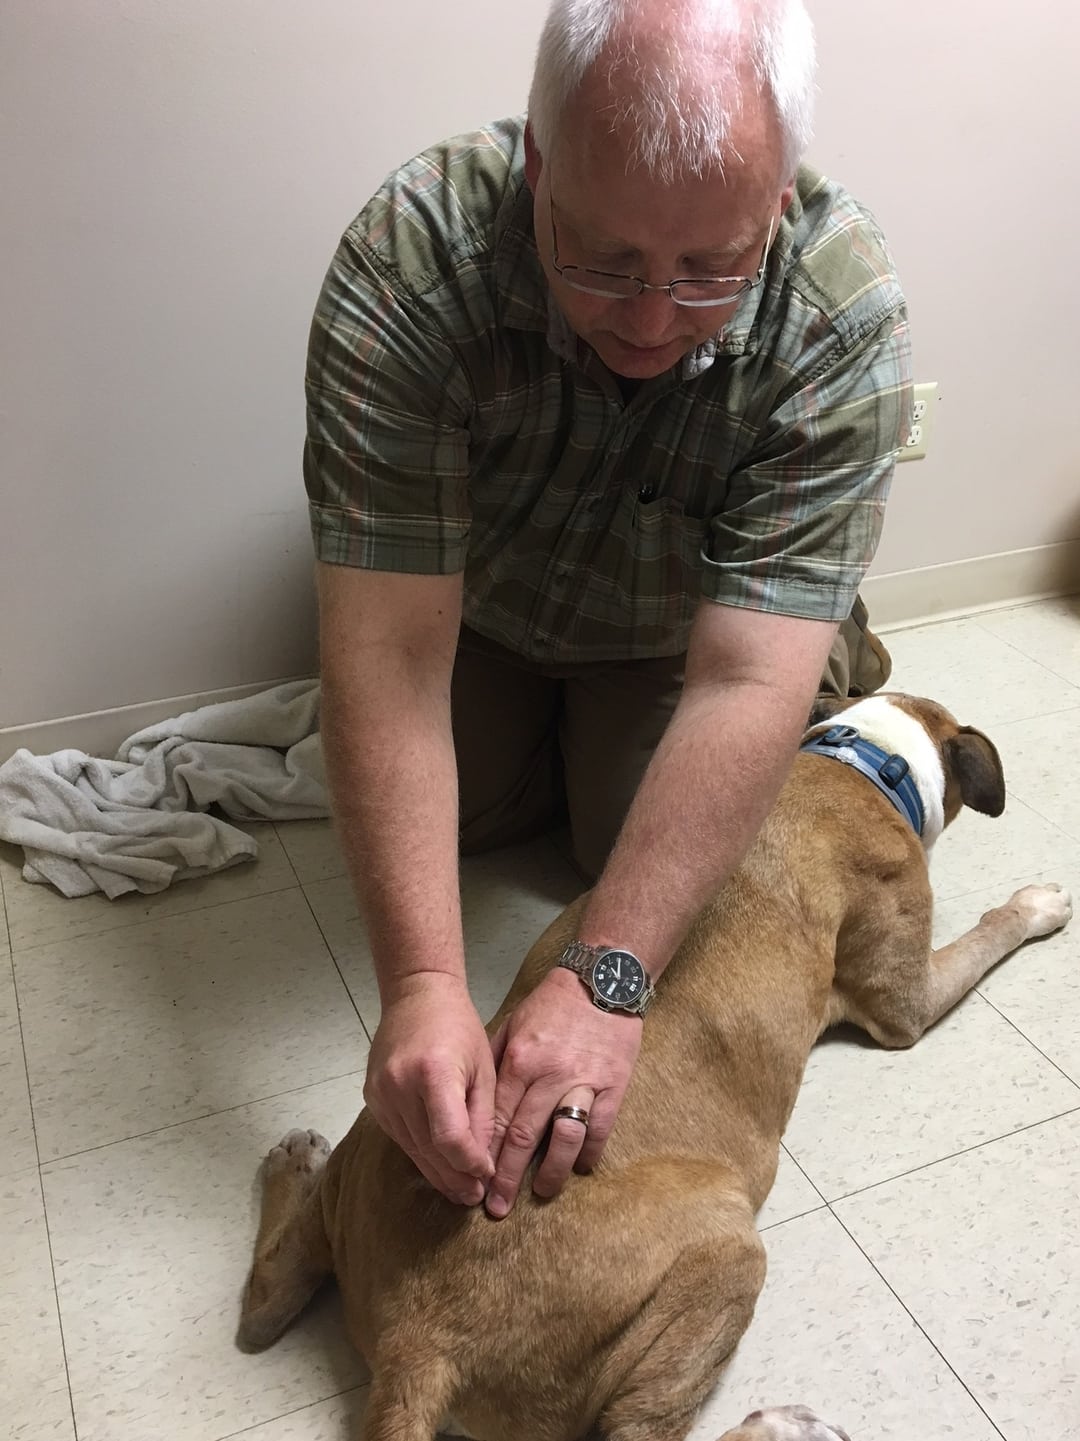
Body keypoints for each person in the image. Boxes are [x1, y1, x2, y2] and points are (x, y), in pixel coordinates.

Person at [305, 0, 912, 1220]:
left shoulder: (843, 314)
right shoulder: (409, 256)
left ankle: (830, 645)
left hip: (683, 636)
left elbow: (741, 684)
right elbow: (391, 664)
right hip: (480, 609)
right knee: (427, 818)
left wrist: (609, 976)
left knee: (624, 867)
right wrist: (422, 983)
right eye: (602, 260)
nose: (648, 320)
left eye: (708, 272)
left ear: (780, 198)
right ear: (539, 159)